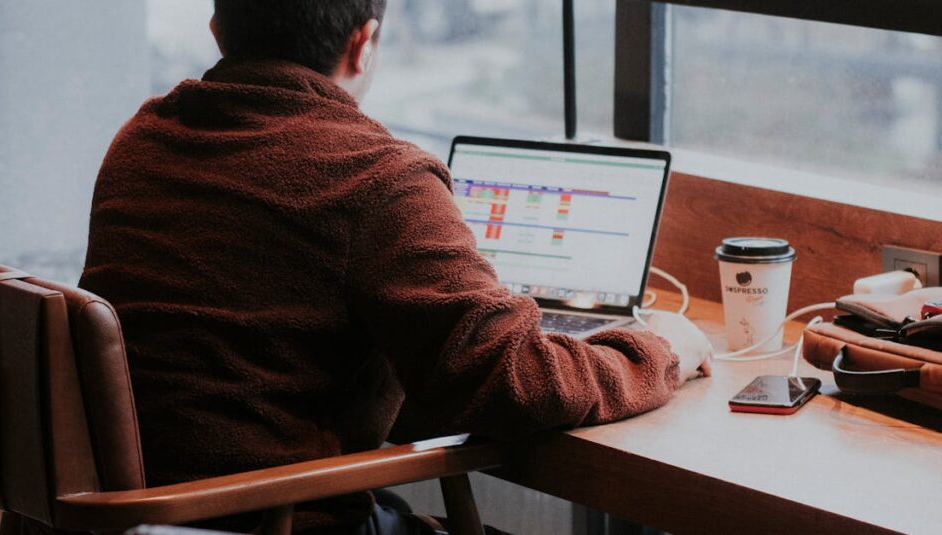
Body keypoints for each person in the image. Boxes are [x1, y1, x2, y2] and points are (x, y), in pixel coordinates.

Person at [72, 1, 712, 533]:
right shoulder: (376, 177)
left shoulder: (143, 139)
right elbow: (515, 382)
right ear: (364, 42)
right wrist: (660, 350)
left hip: (132, 515)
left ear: (218, 29)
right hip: (273, 518)